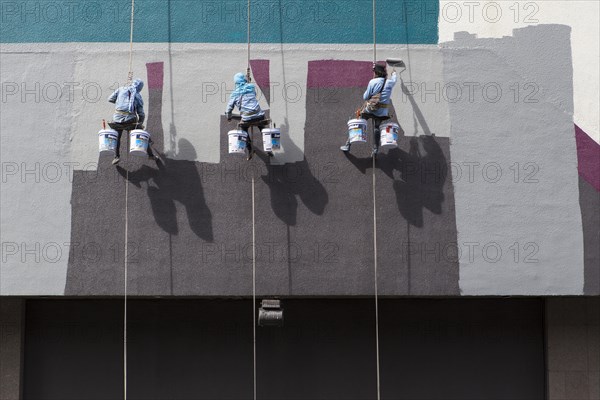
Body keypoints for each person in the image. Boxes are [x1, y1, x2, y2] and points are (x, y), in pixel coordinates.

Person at [340, 64, 397, 156]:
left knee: (359, 123)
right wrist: (394, 73)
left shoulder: (373, 82)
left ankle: (348, 145)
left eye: (374, 72)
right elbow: (394, 79)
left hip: (370, 109)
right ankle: (375, 150)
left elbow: (365, 97)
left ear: (376, 72)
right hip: (382, 111)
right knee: (376, 128)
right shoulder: (390, 82)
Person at [108, 79, 155, 165]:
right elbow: (141, 113)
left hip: (117, 119)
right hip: (130, 121)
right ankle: (151, 155)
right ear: (139, 87)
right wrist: (140, 123)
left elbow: (110, 99)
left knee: (117, 138)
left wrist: (119, 102)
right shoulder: (138, 96)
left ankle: (116, 157)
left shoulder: (120, 89)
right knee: (141, 134)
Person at [226, 72, 268, 160]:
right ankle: (268, 144)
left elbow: (229, 109)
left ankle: (250, 149)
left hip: (247, 119)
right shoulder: (251, 87)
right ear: (244, 80)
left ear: (236, 82)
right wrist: (248, 81)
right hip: (259, 115)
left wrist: (229, 117)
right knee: (262, 126)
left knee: (243, 130)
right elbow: (253, 93)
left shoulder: (234, 94)